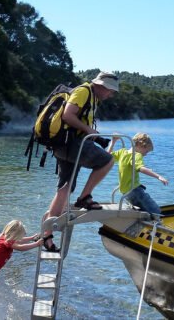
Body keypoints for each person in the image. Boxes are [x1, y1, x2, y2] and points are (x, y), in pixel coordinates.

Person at [42, 71, 119, 252]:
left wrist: (89, 134)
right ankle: (84, 197)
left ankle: (47, 236)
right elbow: (68, 116)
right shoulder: (84, 92)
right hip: (71, 144)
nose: (111, 94)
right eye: (110, 91)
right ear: (102, 86)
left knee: (65, 189)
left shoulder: (92, 96)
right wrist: (88, 131)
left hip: (66, 144)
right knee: (107, 161)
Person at [108, 133, 168, 215]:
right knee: (156, 211)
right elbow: (141, 168)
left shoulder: (122, 152)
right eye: (146, 151)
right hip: (135, 190)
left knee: (142, 209)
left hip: (125, 191)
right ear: (141, 145)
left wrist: (113, 142)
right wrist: (158, 176)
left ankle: (146, 222)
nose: (146, 154)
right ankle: (160, 224)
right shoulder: (136, 155)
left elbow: (108, 156)